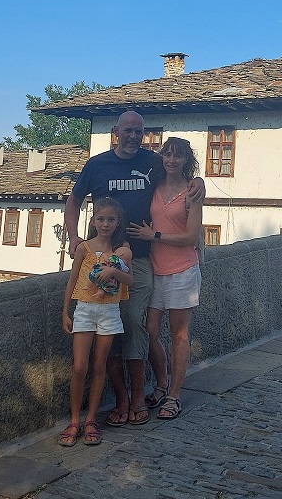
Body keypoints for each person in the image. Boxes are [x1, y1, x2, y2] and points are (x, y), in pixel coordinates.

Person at [63, 111, 204, 427]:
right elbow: (73, 202)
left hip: (140, 260)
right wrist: (73, 237)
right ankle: (123, 398)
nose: (133, 136)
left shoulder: (152, 162)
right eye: (128, 130)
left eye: (139, 131)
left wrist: (200, 182)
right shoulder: (96, 164)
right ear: (116, 132)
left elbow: (179, 172)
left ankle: (140, 395)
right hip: (98, 260)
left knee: (131, 323)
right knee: (108, 328)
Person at [128, 137, 203, 421]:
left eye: (178, 156)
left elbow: (191, 237)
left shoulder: (191, 193)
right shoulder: (154, 186)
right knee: (150, 329)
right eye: (168, 155)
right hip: (155, 268)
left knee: (179, 334)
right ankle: (161, 382)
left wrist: (155, 236)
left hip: (182, 270)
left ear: (186, 160)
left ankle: (174, 395)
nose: (172, 160)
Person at [59, 198, 132, 447]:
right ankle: (74, 419)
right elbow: (72, 280)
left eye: (111, 219)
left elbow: (129, 280)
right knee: (80, 366)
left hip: (109, 310)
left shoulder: (121, 250)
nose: (105, 224)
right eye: (101, 219)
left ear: (117, 222)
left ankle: (90, 419)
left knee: (99, 366)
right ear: (93, 221)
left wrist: (114, 271)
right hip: (86, 309)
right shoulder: (84, 248)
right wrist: (66, 311)